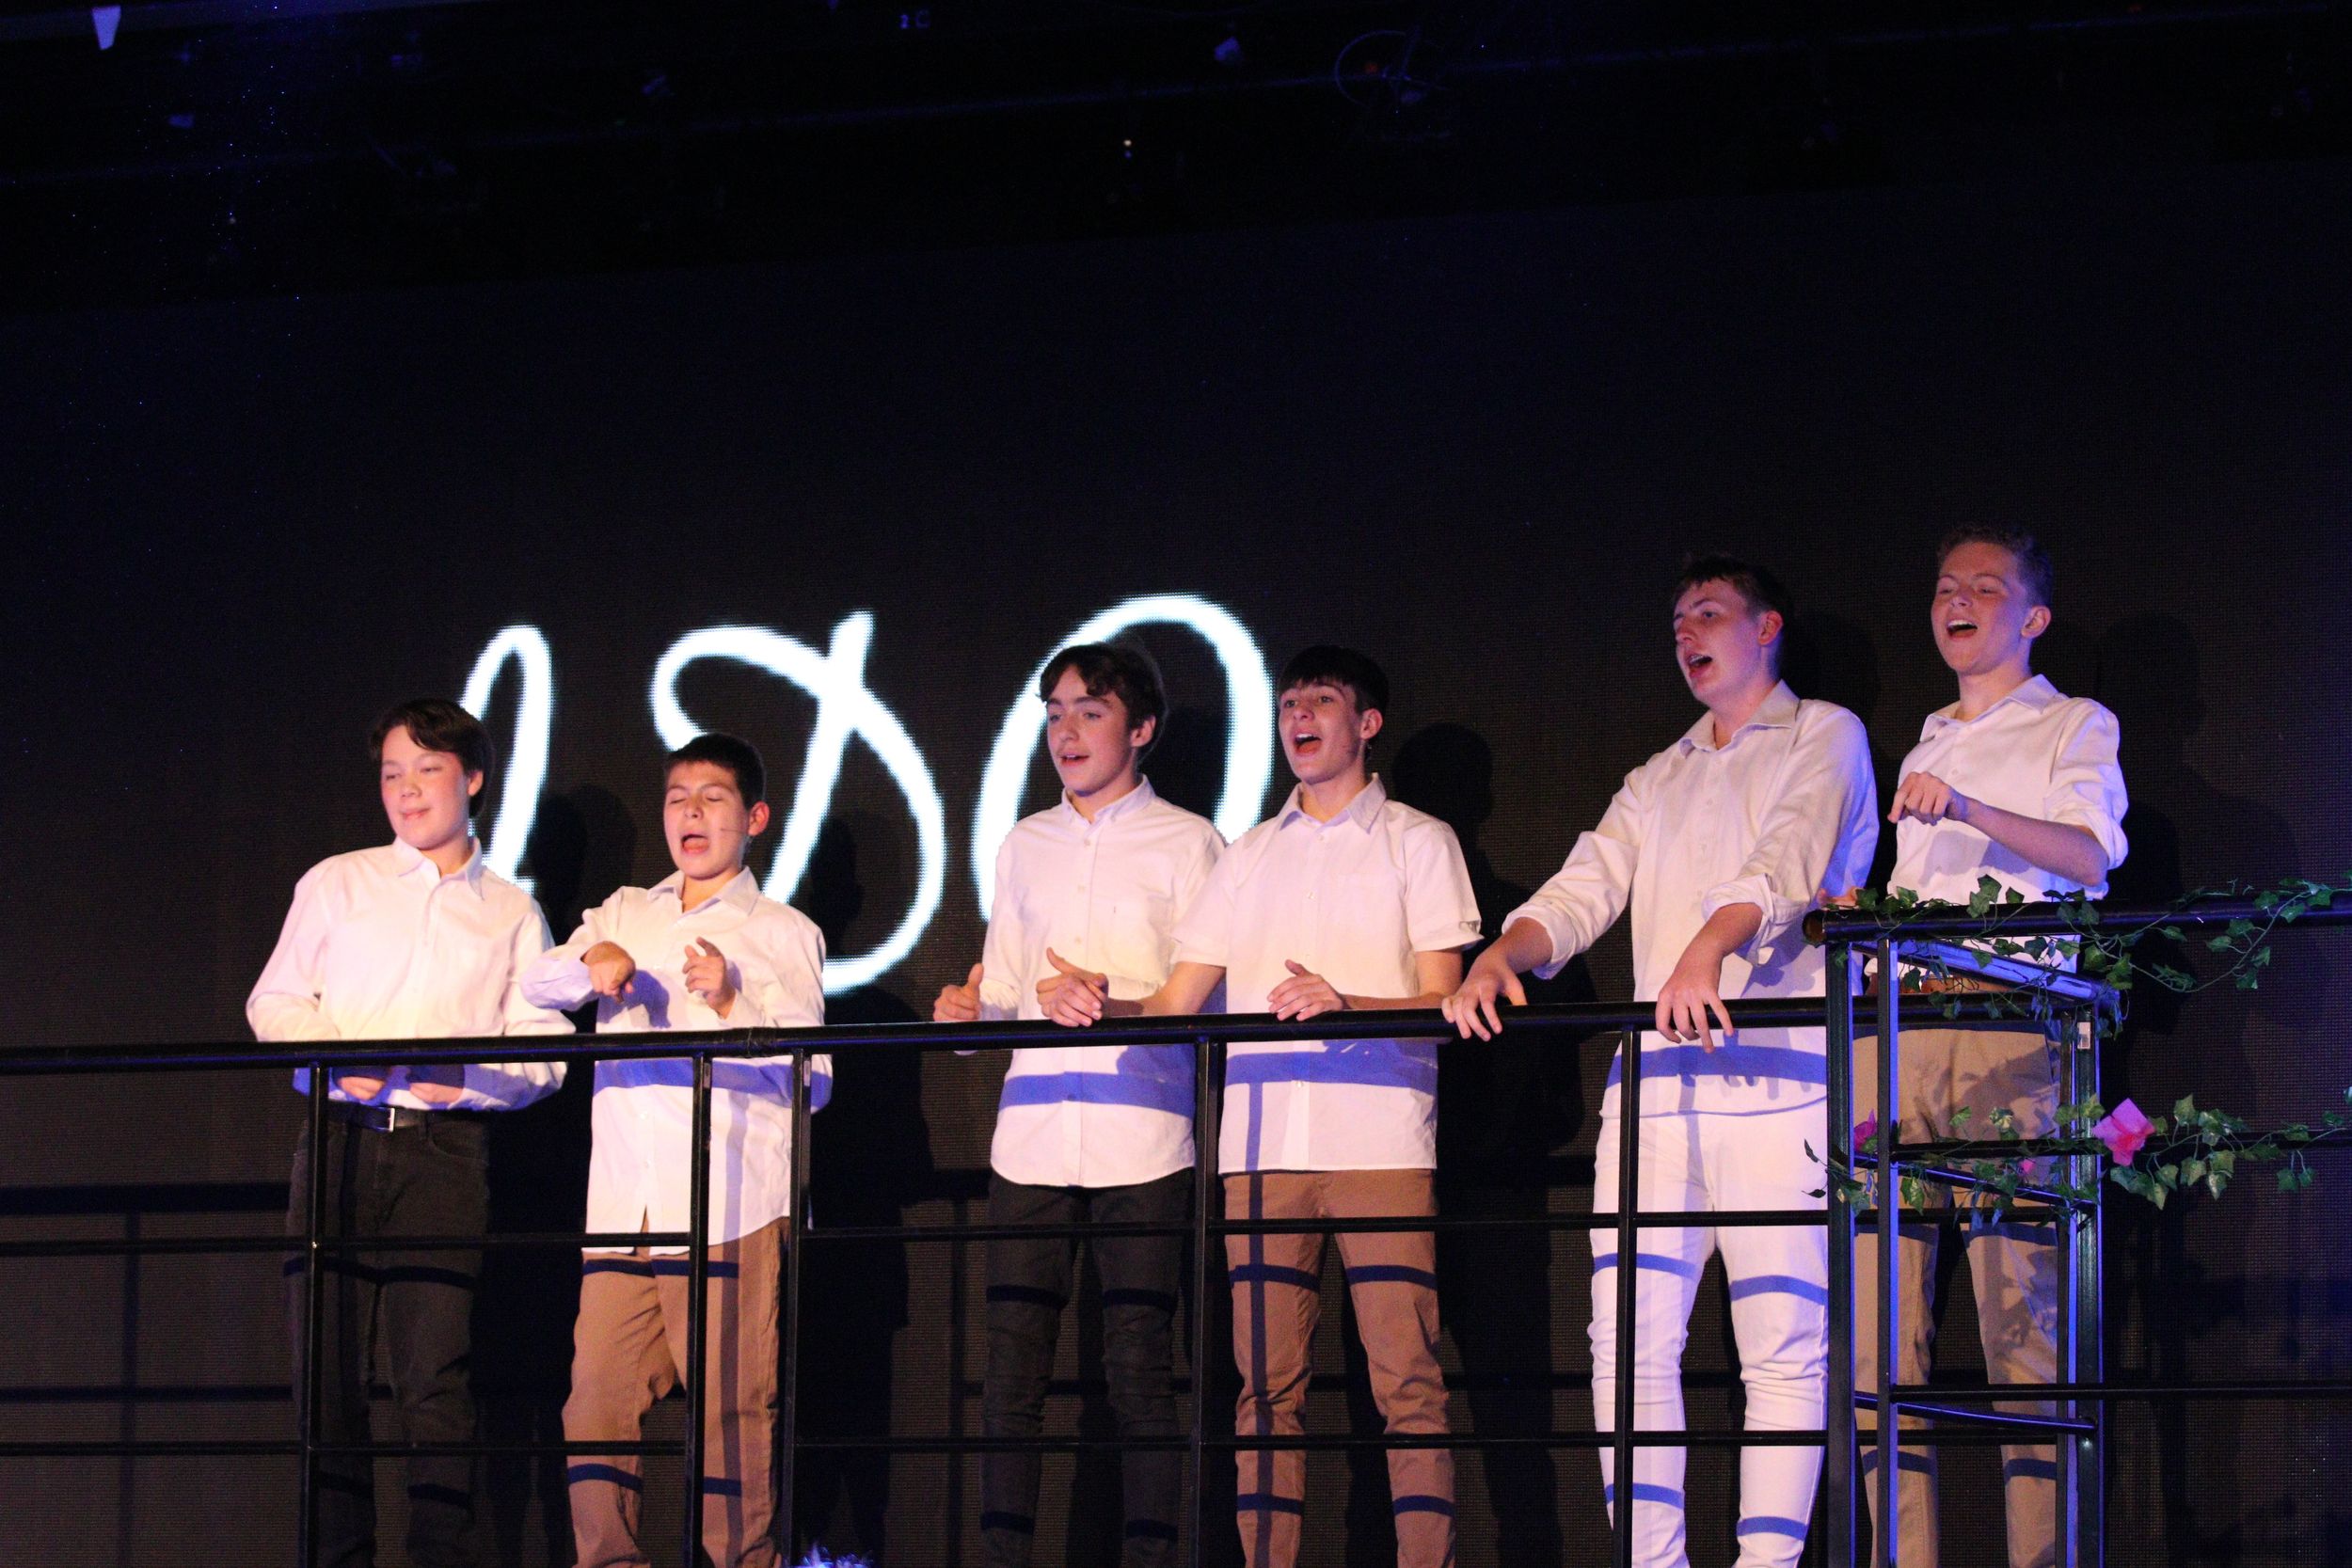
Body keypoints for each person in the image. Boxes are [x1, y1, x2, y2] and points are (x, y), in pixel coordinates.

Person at [1443, 558, 1878, 1568]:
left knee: (1782, 1350)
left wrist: (1707, 945)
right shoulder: (1661, 771)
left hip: (1783, 1082)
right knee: (1626, 1346)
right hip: (1657, 1095)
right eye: (1677, 619)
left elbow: (1788, 856)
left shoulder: (1825, 733)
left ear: (1765, 626)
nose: (1686, 632)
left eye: (1708, 613)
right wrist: (1506, 951)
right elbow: (1584, 883)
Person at [1048, 645, 1482, 1568]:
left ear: (1366, 722)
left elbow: (1444, 1000)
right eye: (1288, 703)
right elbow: (1178, 1002)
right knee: (1265, 1391)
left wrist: (1345, 1004)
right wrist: (1099, 1002)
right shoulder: (1247, 853)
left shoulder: (1418, 839)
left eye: (1320, 700)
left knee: (1406, 1381)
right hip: (1258, 1150)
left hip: (1378, 1145)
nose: (1298, 717)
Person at [1845, 528, 2127, 1568]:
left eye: (1984, 587)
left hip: (2008, 1034)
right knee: (1881, 1339)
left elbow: (2089, 856)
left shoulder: (2073, 722)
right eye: (1943, 586)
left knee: (2023, 1338)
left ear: (2034, 616)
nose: (1956, 600)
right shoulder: (1923, 738)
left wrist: (1967, 807)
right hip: (1899, 1035)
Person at [249, 697, 571, 1568]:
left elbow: (547, 1052)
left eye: (428, 770)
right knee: (326, 1376)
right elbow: (274, 1000)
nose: (407, 789)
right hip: (339, 1139)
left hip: (444, 1152)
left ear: (473, 779)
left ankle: (442, 1558)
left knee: (435, 1378)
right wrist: (331, 1057)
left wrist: (468, 1079)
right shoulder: (338, 881)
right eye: (393, 773)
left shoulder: (510, 910)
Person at [934, 641, 1224, 1567]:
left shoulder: (1190, 842)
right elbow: (1005, 989)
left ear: (1141, 729)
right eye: (1054, 712)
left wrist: (1109, 999)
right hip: (1031, 1136)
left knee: (1141, 1371)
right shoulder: (1025, 842)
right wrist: (969, 1012)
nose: (1066, 730)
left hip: (1144, 1135)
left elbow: (1211, 998)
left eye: (1090, 711)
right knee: (1010, 1377)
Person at [523, 734, 830, 1568]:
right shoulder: (628, 908)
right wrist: (592, 963)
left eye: (712, 797)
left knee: (732, 1414)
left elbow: (816, 1080)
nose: (691, 813)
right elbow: (536, 982)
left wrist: (732, 1002)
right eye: (677, 798)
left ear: (755, 817)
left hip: (731, 1204)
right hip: (625, 1206)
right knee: (594, 1403)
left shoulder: (783, 931)